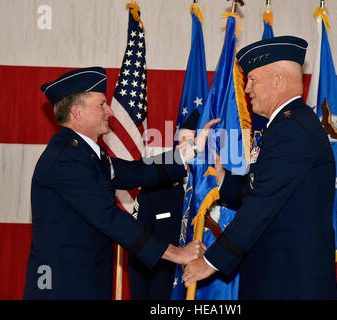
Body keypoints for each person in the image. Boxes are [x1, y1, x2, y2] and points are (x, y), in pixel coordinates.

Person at [23, 67, 218, 299]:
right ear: (77, 112)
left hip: (85, 282)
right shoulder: (67, 159)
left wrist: (194, 147)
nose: (110, 111)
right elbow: (109, 218)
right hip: (63, 286)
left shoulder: (88, 155)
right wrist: (176, 253)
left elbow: (137, 171)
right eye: (102, 104)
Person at [183, 36, 337, 299]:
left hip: (289, 283)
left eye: (253, 79)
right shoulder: (287, 125)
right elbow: (262, 190)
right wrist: (222, 176)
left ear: (278, 81)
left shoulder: (291, 129)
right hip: (280, 278)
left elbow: (260, 206)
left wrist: (210, 262)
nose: (248, 89)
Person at [128, 110, 200, 300]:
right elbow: (139, 254)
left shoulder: (224, 190)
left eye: (195, 143)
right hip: (164, 295)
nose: (190, 150)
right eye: (183, 142)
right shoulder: (154, 191)